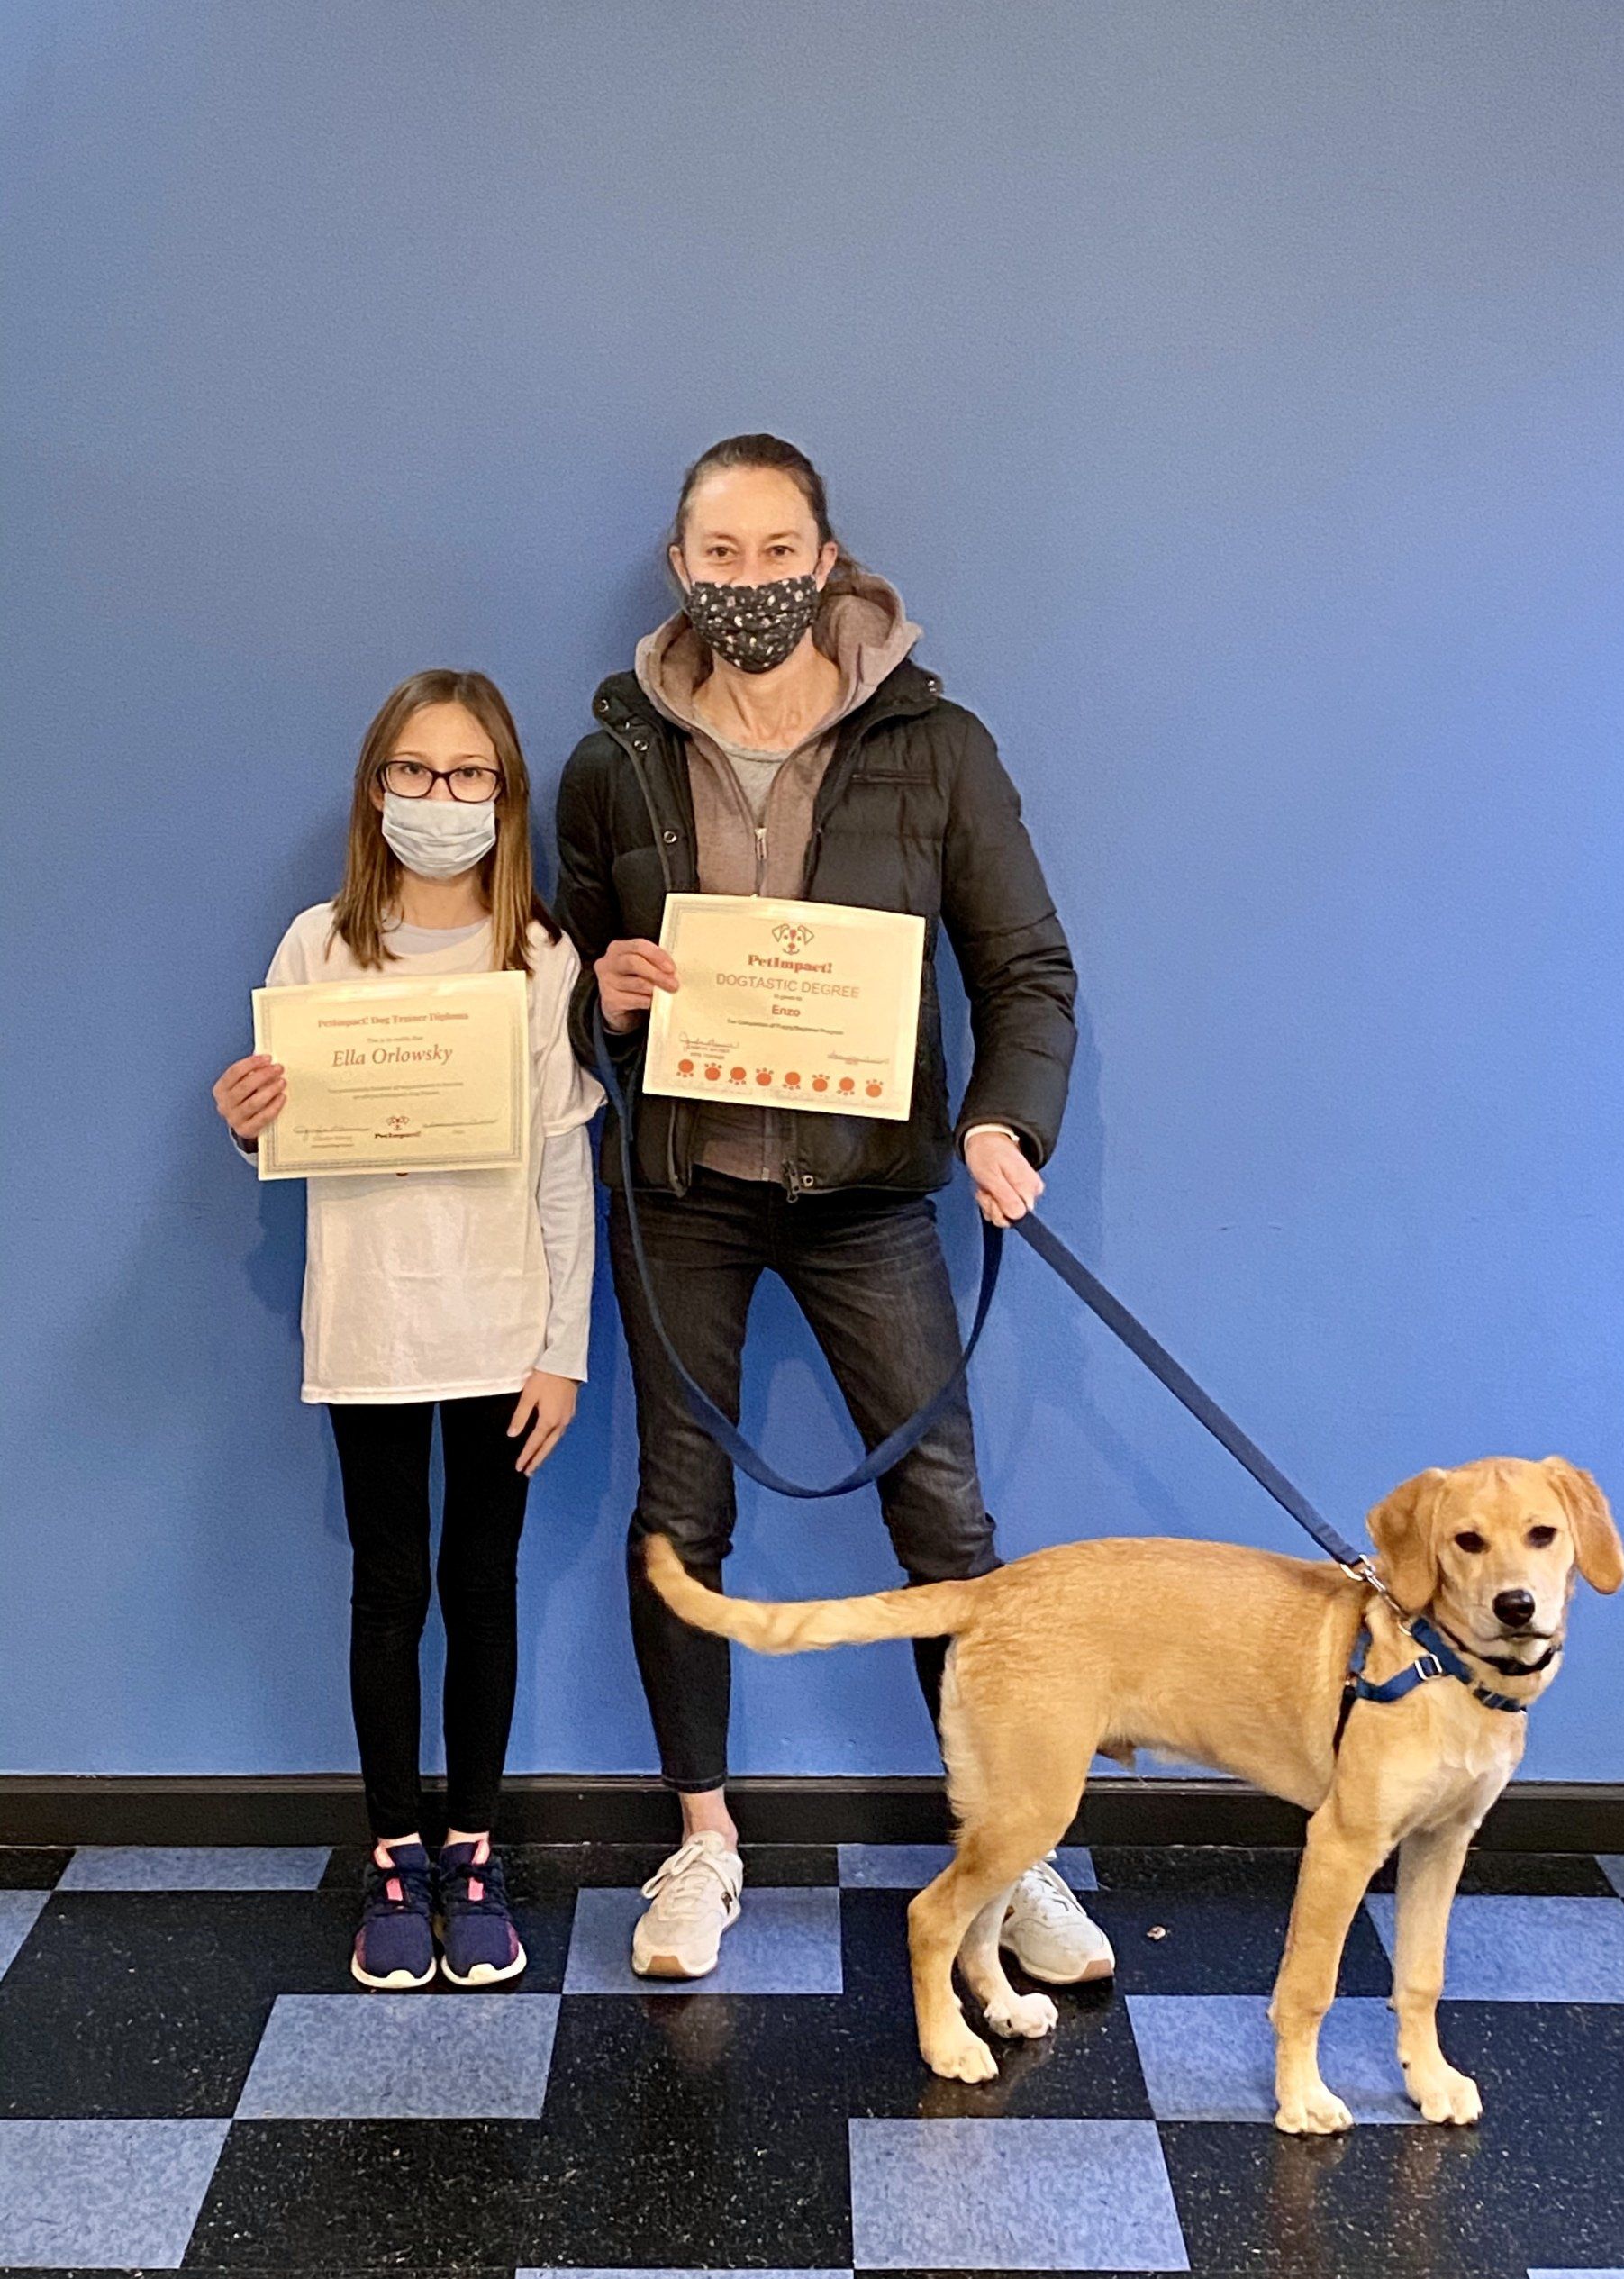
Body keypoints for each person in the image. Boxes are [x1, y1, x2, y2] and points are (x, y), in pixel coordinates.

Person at [556, 435, 1114, 1984]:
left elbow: (1029, 973)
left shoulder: (935, 744)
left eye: (777, 551)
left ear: (827, 557)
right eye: (720, 557)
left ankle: (1013, 1855)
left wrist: (1007, 1116)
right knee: (682, 1516)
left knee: (946, 1522)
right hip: (686, 1191)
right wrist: (605, 996)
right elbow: (586, 984)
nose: (750, 584)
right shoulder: (614, 760)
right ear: (682, 570)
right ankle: (703, 1842)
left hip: (872, 1197)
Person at [213, 668, 600, 1989]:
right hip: (372, 1321)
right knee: (388, 1589)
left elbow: (563, 1169)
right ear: (376, 789)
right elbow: (283, 1126)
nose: (442, 800)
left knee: (479, 1589)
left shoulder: (540, 956)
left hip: (502, 1328)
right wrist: (252, 1113)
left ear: (507, 794)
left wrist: (566, 1349)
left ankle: (475, 1852)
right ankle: (395, 1855)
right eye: (415, 774)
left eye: (470, 775)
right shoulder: (317, 945)